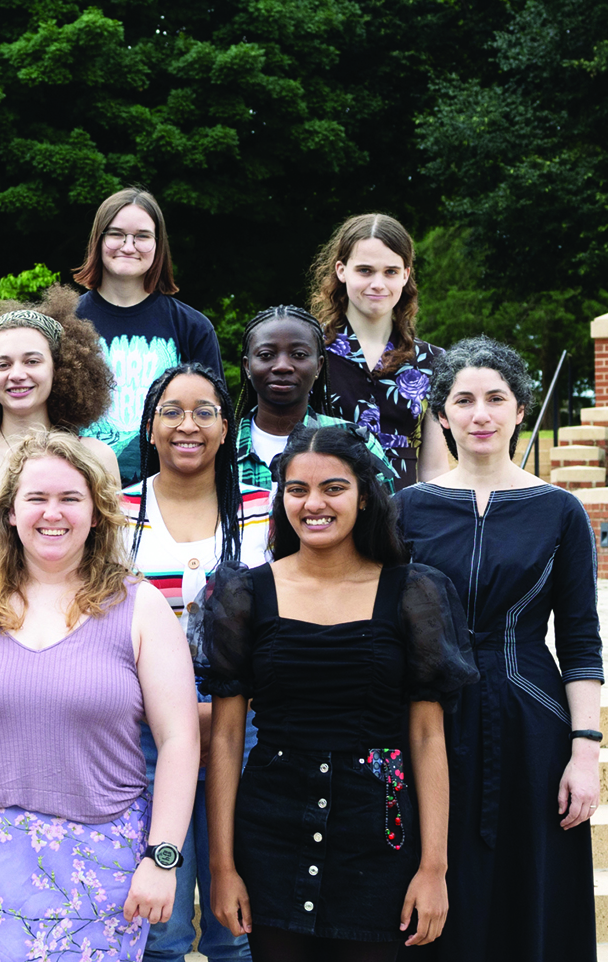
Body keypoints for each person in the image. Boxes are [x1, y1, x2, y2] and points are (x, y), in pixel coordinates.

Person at [0, 430, 200, 961]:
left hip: (104, 869)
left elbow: (178, 739)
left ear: (98, 512)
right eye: (36, 498)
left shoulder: (141, 607)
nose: (51, 513)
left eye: (70, 498)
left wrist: (163, 857)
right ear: (10, 511)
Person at [200, 425, 477, 961]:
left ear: (365, 495)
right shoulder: (243, 593)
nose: (313, 504)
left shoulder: (413, 592)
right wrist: (222, 866)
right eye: (297, 490)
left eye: (333, 487)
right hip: (270, 833)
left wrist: (433, 868)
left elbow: (426, 736)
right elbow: (229, 736)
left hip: (379, 836)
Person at [395, 337, 601, 961]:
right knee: (433, 888)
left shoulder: (560, 511)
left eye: (495, 398)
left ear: (519, 410)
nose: (479, 413)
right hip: (428, 720)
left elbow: (581, 639)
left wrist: (585, 752)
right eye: (463, 399)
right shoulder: (408, 508)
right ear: (443, 414)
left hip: (531, 723)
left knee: (525, 894)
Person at [121, 363, 270, 962]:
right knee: (158, 925)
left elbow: (284, 625)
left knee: (237, 922)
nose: (188, 425)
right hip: (143, 740)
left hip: (248, 732)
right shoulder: (115, 513)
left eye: (204, 411)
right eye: (172, 412)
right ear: (149, 428)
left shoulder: (267, 511)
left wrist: (229, 711)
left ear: (227, 427)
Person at [72, 187, 223, 487]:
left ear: (158, 245)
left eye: (142, 236)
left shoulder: (193, 327)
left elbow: (214, 420)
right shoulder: (66, 322)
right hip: (81, 489)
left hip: (169, 491)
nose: (129, 246)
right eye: (116, 234)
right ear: (98, 241)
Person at [308, 214, 446, 490]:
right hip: (329, 508)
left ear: (406, 275)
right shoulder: (308, 352)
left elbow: (435, 468)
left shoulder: (434, 361)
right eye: (365, 271)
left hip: (405, 516)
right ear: (341, 270)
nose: (378, 284)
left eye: (391, 272)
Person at [0, 285, 118, 486]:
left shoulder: (96, 456)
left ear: (59, 369)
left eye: (32, 361)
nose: (17, 375)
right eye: (3, 365)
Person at [232, 305, 395, 493]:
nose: (283, 366)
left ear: (319, 366)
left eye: (299, 355)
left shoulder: (357, 443)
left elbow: (387, 519)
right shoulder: (220, 445)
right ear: (247, 366)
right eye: (266, 355)